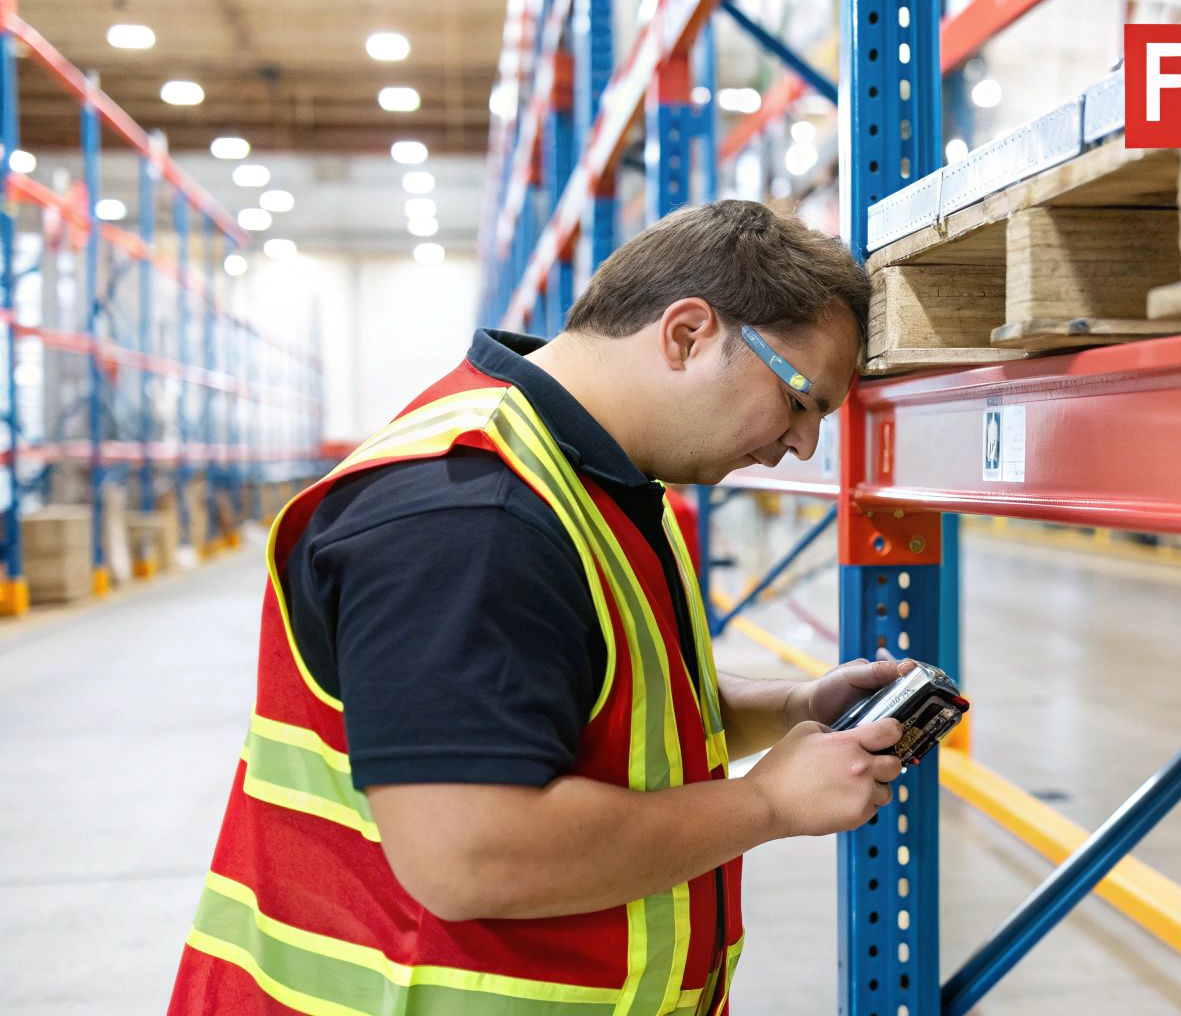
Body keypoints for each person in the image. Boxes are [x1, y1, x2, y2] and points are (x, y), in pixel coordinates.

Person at [168, 200, 912, 1016]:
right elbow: (472, 854)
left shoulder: (594, 478)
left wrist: (795, 707)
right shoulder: (472, 514)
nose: (803, 444)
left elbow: (578, 710)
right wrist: (766, 803)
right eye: (799, 397)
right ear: (688, 334)